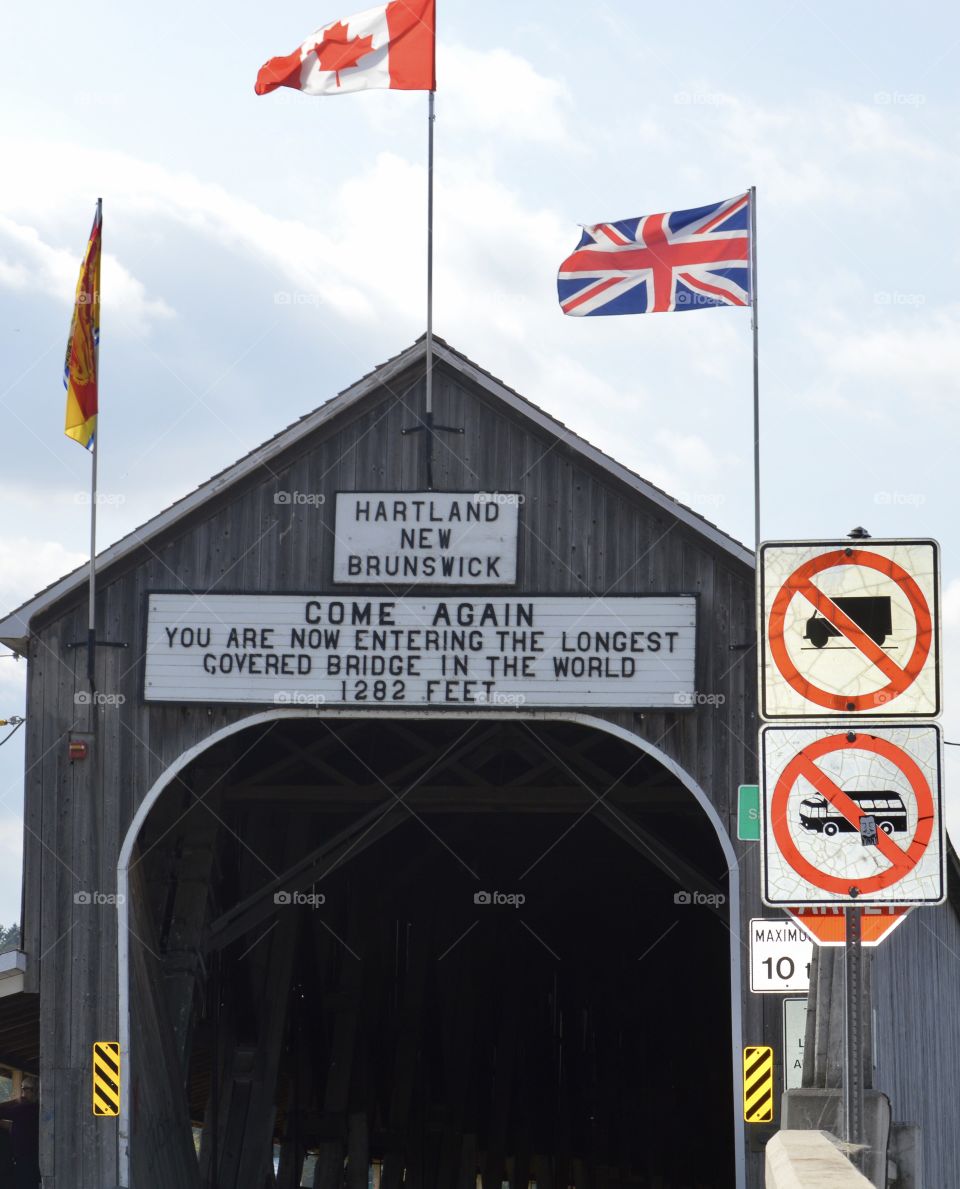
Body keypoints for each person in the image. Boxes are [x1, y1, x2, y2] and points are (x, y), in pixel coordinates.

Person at [0, 1076, 40, 1187]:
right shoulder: (37, 1108)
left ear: (32, 1090)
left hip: (23, 1161)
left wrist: (15, 1101)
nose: (22, 1092)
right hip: (34, 1158)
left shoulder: (26, 1108)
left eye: (24, 1089)